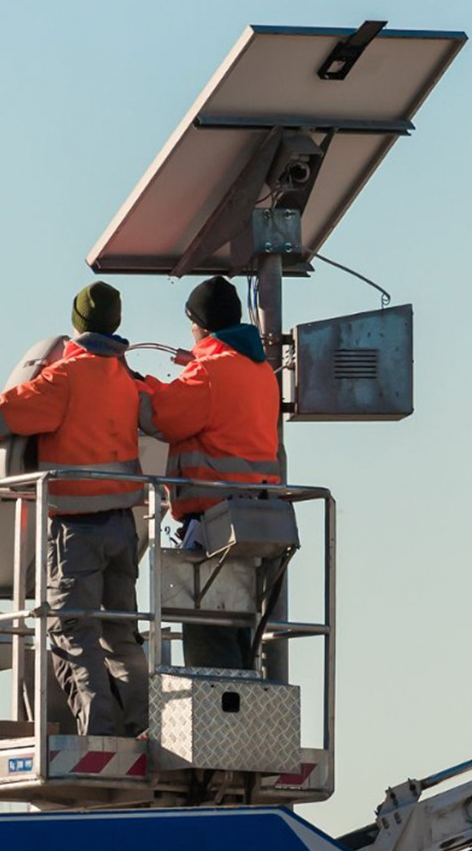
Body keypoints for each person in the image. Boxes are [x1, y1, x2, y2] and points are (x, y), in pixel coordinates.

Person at [0, 281, 149, 737]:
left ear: (78, 322)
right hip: (123, 526)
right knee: (120, 636)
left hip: (77, 530)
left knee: (72, 631)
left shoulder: (64, 380)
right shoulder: (127, 380)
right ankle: (141, 727)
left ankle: (100, 733)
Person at [141, 276, 284, 670]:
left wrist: (137, 386)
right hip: (256, 523)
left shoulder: (209, 372)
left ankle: (216, 729)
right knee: (241, 639)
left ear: (200, 325)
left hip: (214, 529)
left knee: (209, 644)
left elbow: (161, 417)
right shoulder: (259, 372)